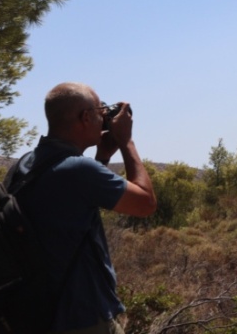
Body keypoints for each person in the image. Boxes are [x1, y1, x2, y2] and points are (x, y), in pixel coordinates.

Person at [17, 82, 157, 334]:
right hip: (84, 316)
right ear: (85, 117)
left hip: (37, 314)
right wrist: (127, 142)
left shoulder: (26, 165)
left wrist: (102, 157)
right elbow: (145, 203)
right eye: (101, 111)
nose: (105, 117)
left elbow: (74, 207)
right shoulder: (79, 170)